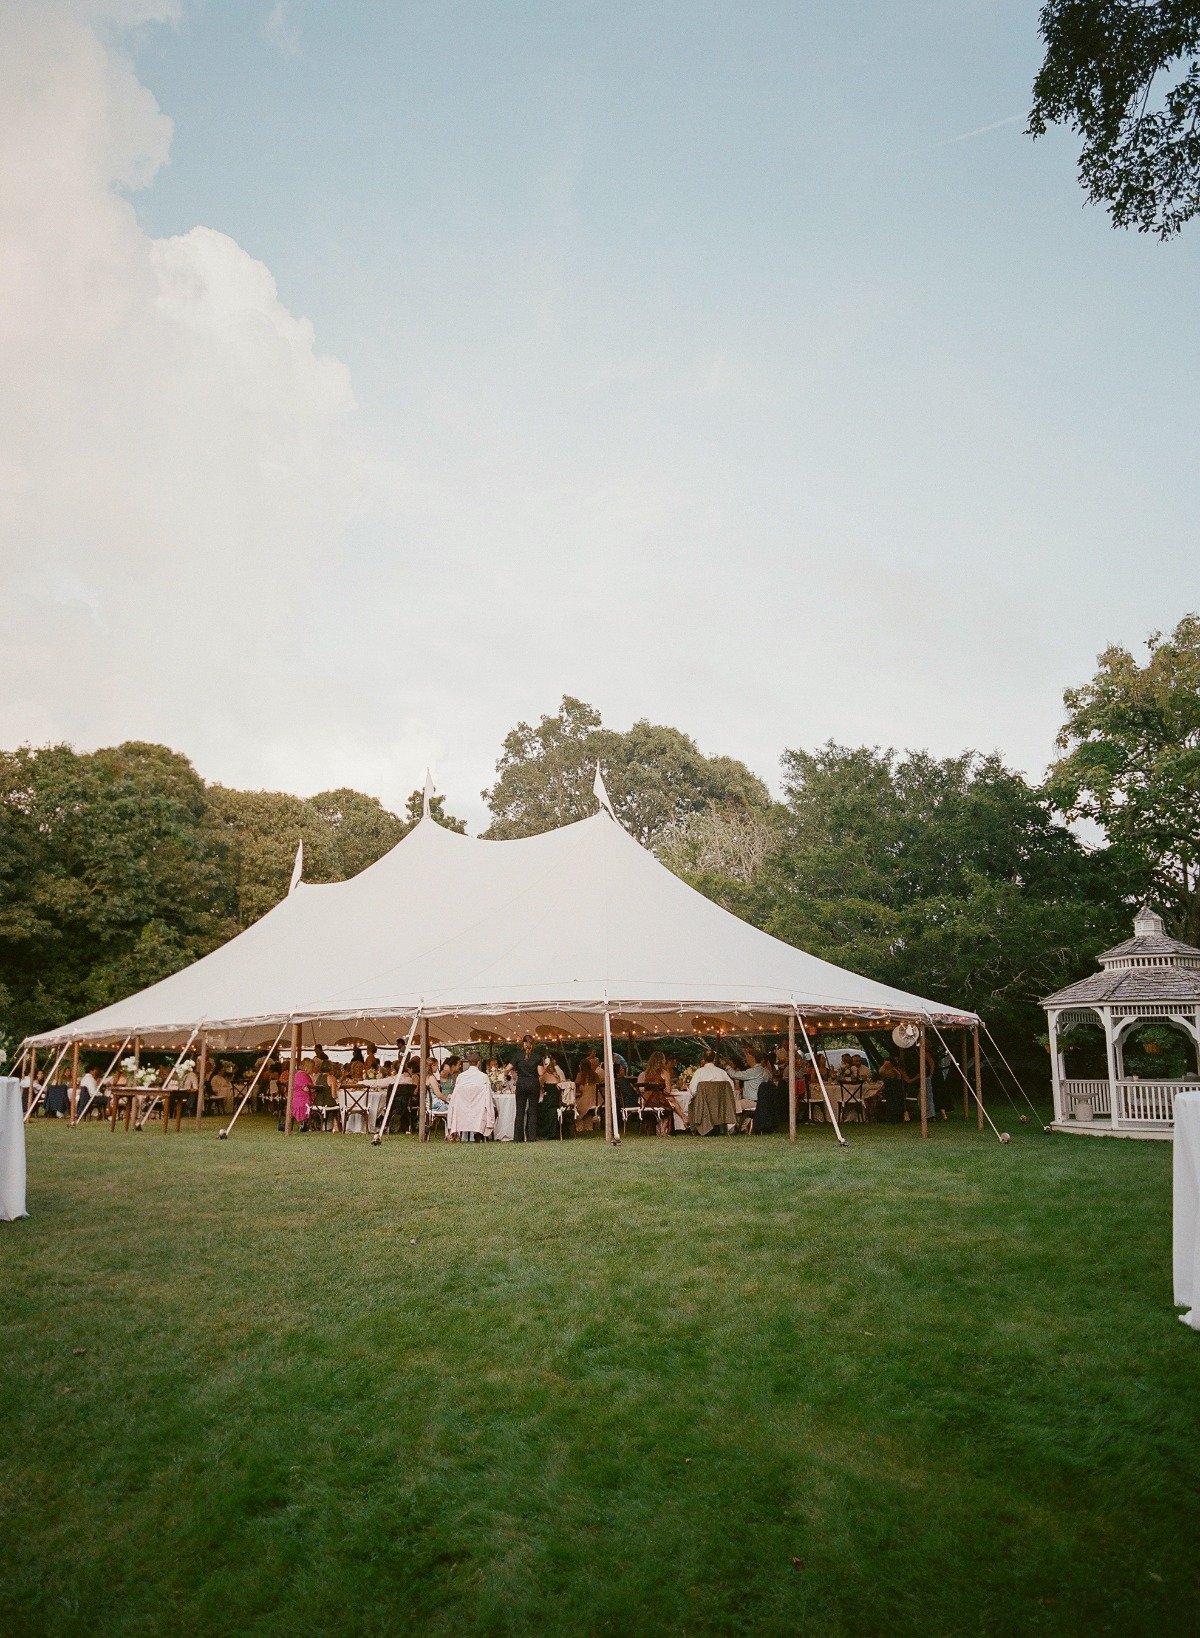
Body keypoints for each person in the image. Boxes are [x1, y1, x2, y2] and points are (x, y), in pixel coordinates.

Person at [446, 1050, 495, 1142]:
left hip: (463, 1111)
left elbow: (455, 1097)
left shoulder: (461, 1077)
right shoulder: (483, 1077)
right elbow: (488, 1098)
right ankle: (481, 1133)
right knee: (493, 1109)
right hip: (478, 1112)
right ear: (479, 1062)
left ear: (468, 1063)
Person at [688, 1047, 737, 1135]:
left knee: (691, 1104)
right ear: (714, 1059)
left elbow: (693, 1091)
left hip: (704, 1106)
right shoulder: (722, 1072)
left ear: (703, 1059)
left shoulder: (699, 1072)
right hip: (720, 1106)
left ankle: (694, 1129)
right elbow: (731, 1089)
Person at [729, 1047, 769, 1130]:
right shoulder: (765, 1071)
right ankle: (743, 1126)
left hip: (753, 1102)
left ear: (752, 1058)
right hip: (763, 1102)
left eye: (747, 1057)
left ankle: (732, 1128)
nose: (745, 1059)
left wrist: (727, 1067)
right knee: (738, 1101)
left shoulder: (753, 1071)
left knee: (731, 1105)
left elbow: (734, 1074)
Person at [511, 1034, 542, 1143]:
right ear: (532, 1044)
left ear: (524, 1044)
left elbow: (507, 1069)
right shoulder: (537, 1057)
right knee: (533, 1111)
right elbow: (541, 1073)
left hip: (521, 1083)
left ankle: (518, 1138)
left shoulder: (518, 1056)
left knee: (520, 1111)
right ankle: (531, 1137)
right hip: (533, 1083)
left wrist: (513, 1075)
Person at [638, 1050, 675, 1135]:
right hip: (658, 1100)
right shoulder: (665, 1073)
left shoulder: (646, 1073)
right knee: (670, 1108)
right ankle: (663, 1130)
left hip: (646, 1101)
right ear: (662, 1061)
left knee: (672, 1102)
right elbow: (668, 1091)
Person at [880, 1048, 915, 1123]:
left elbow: (906, 1079)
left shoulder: (899, 1069)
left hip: (898, 1087)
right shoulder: (887, 1070)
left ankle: (899, 1118)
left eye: (898, 1060)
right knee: (891, 1102)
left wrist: (917, 1077)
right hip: (891, 1087)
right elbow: (881, 1072)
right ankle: (892, 1118)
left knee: (898, 1102)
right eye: (895, 1060)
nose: (897, 1061)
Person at [537, 1054, 565, 1140]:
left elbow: (540, 1087)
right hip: (557, 1102)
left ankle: (541, 1132)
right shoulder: (557, 1074)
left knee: (537, 1108)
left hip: (549, 1102)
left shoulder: (544, 1076)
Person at [290, 1059, 314, 1129]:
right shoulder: (302, 1075)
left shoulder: (298, 1074)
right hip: (302, 1100)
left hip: (296, 1099)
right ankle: (304, 1124)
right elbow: (306, 1089)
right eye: (312, 1067)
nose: (313, 1069)